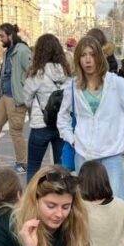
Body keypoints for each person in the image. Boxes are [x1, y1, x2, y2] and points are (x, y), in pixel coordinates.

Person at [57, 36, 124, 202]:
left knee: (116, 202)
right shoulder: (73, 86)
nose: (88, 60)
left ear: (99, 57)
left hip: (111, 154)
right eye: (83, 55)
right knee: (85, 204)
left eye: (92, 54)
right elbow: (62, 117)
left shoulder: (116, 83)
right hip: (84, 154)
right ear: (78, 59)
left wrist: (123, 139)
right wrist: (72, 139)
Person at [0, 23, 32, 173]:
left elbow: (32, 71)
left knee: (15, 131)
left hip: (16, 98)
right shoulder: (7, 52)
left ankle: (22, 163)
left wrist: (23, 91)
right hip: (4, 96)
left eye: (2, 36)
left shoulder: (22, 50)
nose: (0, 39)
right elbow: (5, 75)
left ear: (10, 35)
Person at [23, 34, 71, 182]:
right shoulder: (67, 72)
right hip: (61, 126)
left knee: (33, 167)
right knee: (60, 169)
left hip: (40, 124)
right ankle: (60, 201)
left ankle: (31, 202)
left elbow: (26, 100)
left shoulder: (37, 73)